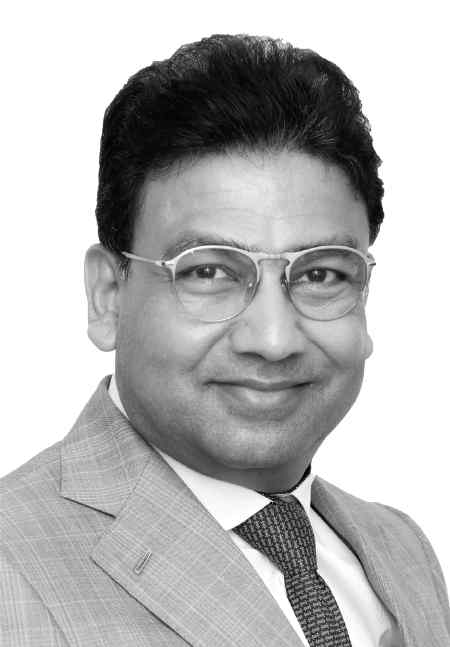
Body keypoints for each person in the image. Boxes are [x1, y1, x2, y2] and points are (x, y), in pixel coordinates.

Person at [1, 34, 449, 647]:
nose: (273, 340)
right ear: (108, 295)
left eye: (321, 274)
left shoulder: (403, 552)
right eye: (208, 271)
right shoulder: (11, 566)